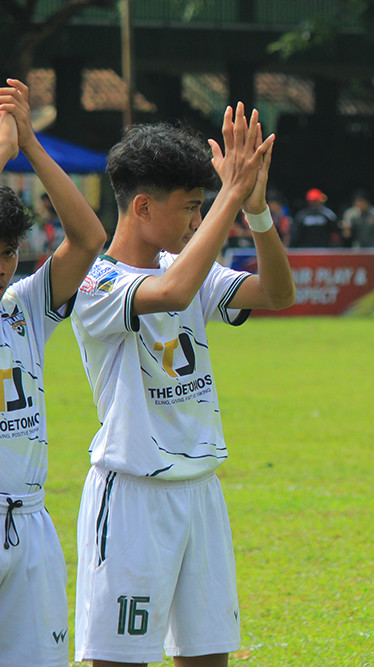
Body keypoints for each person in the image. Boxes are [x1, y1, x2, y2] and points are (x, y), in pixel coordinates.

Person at [70, 103, 295, 666]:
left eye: (204, 205)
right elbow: (169, 294)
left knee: (208, 658)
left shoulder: (184, 264)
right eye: (191, 206)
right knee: (119, 659)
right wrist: (230, 194)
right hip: (132, 497)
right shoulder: (98, 283)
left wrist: (257, 209)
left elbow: (277, 294)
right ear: (143, 206)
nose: (200, 219)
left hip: (202, 492)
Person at [0, 78, 106, 667]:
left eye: (9, 252)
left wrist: (31, 146)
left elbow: (90, 238)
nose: (1, 266)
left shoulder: (23, 309)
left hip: (31, 520)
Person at [342, 188, 374, 252]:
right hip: (358, 248)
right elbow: (347, 235)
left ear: (367, 202)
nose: (358, 204)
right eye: (356, 201)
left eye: (361, 201)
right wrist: (346, 230)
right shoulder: (351, 214)